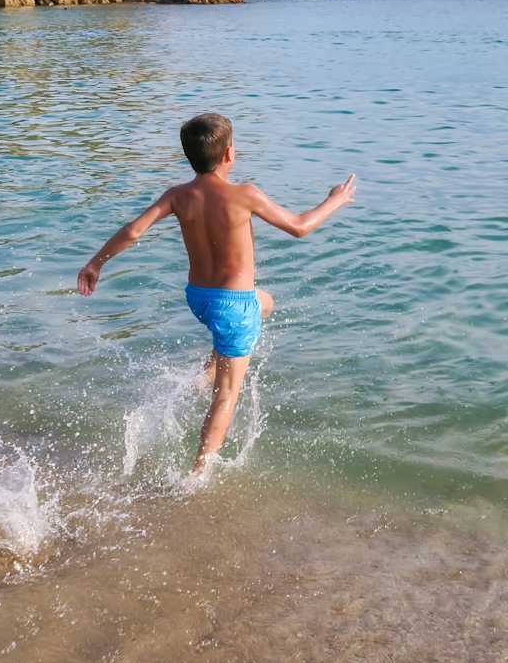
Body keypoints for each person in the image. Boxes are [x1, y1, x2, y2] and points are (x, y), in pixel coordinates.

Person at [78, 113, 356, 481]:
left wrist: (95, 264)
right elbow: (300, 227)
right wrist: (336, 200)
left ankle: (206, 373)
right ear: (229, 154)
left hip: (199, 299)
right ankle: (198, 474)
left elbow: (132, 231)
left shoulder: (177, 196)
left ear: (189, 156)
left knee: (265, 302)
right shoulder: (245, 194)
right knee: (226, 396)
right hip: (233, 306)